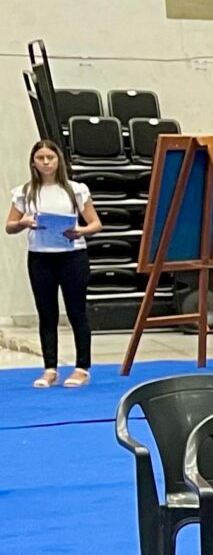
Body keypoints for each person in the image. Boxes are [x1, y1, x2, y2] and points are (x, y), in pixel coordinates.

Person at [5, 140, 100, 388]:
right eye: (41, 158)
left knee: (76, 311)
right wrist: (24, 222)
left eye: (50, 157)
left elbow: (95, 224)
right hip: (41, 257)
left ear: (59, 160)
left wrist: (79, 230)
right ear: (33, 162)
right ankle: (50, 367)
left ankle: (82, 367)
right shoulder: (24, 192)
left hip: (72, 256)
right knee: (46, 313)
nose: (46, 162)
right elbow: (9, 226)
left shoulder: (76, 189)